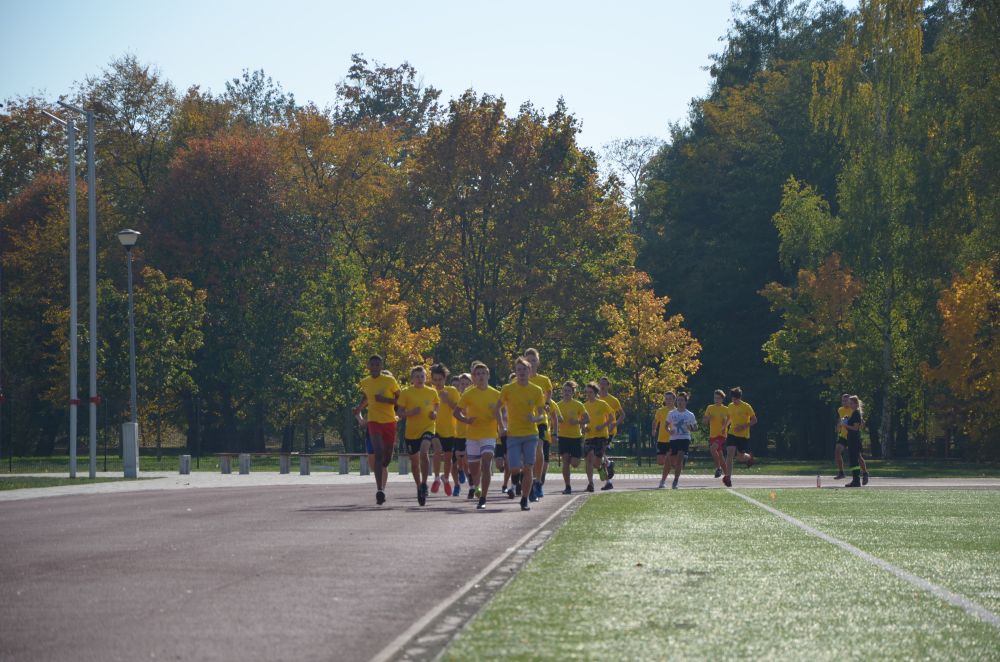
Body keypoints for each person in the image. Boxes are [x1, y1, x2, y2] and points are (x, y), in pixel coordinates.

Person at [499, 358, 548, 511]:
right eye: (518, 369)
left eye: (524, 370)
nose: (521, 372)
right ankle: (515, 478)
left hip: (530, 434)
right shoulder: (508, 389)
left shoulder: (536, 390)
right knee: (514, 467)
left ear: (529, 371)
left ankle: (525, 499)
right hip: (513, 434)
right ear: (516, 371)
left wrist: (535, 418)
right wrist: (501, 426)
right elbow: (497, 409)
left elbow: (541, 413)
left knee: (528, 467)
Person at [455, 362, 503, 510]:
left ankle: (483, 498)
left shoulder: (496, 394)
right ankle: (477, 486)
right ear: (474, 377)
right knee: (474, 469)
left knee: (487, 462)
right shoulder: (468, 393)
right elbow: (456, 412)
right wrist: (466, 419)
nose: (481, 376)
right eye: (478, 374)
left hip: (489, 434)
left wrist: (502, 427)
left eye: (483, 373)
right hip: (473, 436)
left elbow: (501, 412)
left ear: (488, 375)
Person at [355, 355, 401, 505]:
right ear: (368, 366)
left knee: (386, 459)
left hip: (389, 421)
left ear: (381, 366)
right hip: (373, 421)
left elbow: (400, 401)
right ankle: (380, 490)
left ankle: (382, 479)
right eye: (372, 364)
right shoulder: (365, 382)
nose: (374, 367)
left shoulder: (390, 381)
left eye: (377, 364)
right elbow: (366, 397)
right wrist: (359, 409)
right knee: (378, 454)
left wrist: (385, 400)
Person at [396, 365, 440, 506]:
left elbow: (436, 405)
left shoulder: (432, 392)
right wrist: (410, 413)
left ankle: (424, 484)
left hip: (428, 428)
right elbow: (399, 413)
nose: (420, 379)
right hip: (411, 433)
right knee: (415, 464)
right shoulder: (406, 392)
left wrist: (435, 413)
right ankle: (419, 487)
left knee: (424, 451)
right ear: (412, 379)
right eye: (417, 376)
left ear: (426, 378)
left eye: (422, 376)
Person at [523, 348, 553, 500]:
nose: (531, 363)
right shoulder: (520, 379)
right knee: (527, 454)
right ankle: (528, 480)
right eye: (528, 360)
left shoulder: (544, 380)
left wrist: (546, 403)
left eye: (533, 360)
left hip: (540, 420)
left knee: (539, 448)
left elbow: (549, 392)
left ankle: (538, 481)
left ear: (538, 362)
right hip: (525, 421)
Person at [430, 363, 460, 496]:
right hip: (434, 428)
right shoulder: (429, 392)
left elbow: (458, 409)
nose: (437, 383)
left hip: (449, 429)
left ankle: (446, 479)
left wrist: (447, 400)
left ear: (444, 379)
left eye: (440, 380)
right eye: (435, 380)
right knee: (437, 450)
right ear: (431, 379)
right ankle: (436, 478)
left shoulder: (452, 391)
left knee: (448, 458)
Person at [556, 381, 587, 494]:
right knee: (565, 461)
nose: (567, 393)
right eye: (565, 391)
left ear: (573, 392)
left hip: (575, 437)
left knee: (574, 463)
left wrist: (577, 421)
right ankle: (567, 486)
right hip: (563, 436)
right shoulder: (558, 405)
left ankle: (572, 462)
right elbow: (552, 419)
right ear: (562, 392)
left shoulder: (578, 405)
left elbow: (587, 419)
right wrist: (557, 421)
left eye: (569, 391)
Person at [582, 382, 614, 492]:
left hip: (601, 436)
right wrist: (584, 427)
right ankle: (590, 483)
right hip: (589, 436)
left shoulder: (603, 404)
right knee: (588, 460)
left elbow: (611, 417)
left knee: (596, 463)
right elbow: (582, 420)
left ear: (595, 393)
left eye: (590, 392)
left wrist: (603, 425)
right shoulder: (584, 406)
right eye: (587, 392)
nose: (588, 394)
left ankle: (607, 479)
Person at [722, 386, 756, 487]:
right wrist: (724, 427)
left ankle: (749, 457)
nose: (734, 400)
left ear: (740, 397)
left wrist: (743, 426)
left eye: (736, 398)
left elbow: (754, 420)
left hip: (743, 435)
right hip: (732, 433)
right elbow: (729, 418)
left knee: (740, 457)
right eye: (733, 398)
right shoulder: (730, 406)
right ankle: (728, 477)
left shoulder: (746, 406)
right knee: (730, 454)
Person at [664, 392, 697, 489]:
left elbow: (695, 428)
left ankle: (675, 481)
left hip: (685, 438)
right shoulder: (671, 413)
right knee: (672, 461)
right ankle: (683, 460)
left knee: (678, 460)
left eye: (682, 400)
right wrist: (669, 431)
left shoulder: (690, 414)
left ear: (686, 402)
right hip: (674, 439)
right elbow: (666, 425)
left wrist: (690, 427)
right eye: (678, 400)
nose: (680, 402)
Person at [835, 393, 868, 481]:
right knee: (837, 451)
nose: (844, 402)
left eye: (846, 400)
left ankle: (865, 472)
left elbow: (861, 423)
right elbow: (841, 420)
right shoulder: (840, 410)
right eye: (842, 400)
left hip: (852, 436)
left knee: (858, 456)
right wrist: (838, 427)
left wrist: (860, 425)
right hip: (843, 435)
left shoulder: (853, 409)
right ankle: (841, 472)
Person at [598, 377, 625, 483]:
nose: (603, 386)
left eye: (605, 384)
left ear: (608, 386)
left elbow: (622, 415)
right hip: (598, 430)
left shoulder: (613, 400)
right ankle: (609, 464)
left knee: (600, 451)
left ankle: (606, 475)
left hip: (609, 431)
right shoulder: (595, 398)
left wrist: (614, 424)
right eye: (601, 384)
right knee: (598, 453)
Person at [453, 372, 473, 497]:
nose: (464, 386)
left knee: (466, 460)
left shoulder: (472, 397)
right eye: (462, 384)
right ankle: (456, 485)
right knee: (453, 461)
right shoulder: (456, 397)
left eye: (467, 384)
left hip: (469, 433)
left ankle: (471, 484)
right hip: (454, 433)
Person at [703, 390, 729, 478]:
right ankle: (727, 476)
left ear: (722, 399)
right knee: (721, 457)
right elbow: (704, 422)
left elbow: (730, 420)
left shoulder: (726, 409)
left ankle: (718, 468)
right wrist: (708, 418)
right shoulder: (710, 408)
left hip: (722, 435)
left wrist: (724, 425)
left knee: (712, 449)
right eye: (715, 398)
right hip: (712, 435)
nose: (716, 400)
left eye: (718, 398)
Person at [653, 392, 676, 488]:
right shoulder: (660, 410)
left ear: (674, 400)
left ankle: (663, 481)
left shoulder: (677, 411)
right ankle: (673, 464)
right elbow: (655, 421)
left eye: (670, 399)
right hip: (661, 439)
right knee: (660, 462)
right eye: (667, 399)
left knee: (668, 460)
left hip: (672, 440)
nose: (668, 401)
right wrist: (653, 429)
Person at [843, 395, 867, 487]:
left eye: (852, 403)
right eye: (849, 403)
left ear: (856, 404)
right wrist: (846, 420)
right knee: (854, 459)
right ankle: (856, 479)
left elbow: (856, 428)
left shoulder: (856, 413)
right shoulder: (854, 413)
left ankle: (856, 480)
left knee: (854, 460)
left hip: (854, 439)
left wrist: (845, 425)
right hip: (852, 439)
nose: (850, 405)